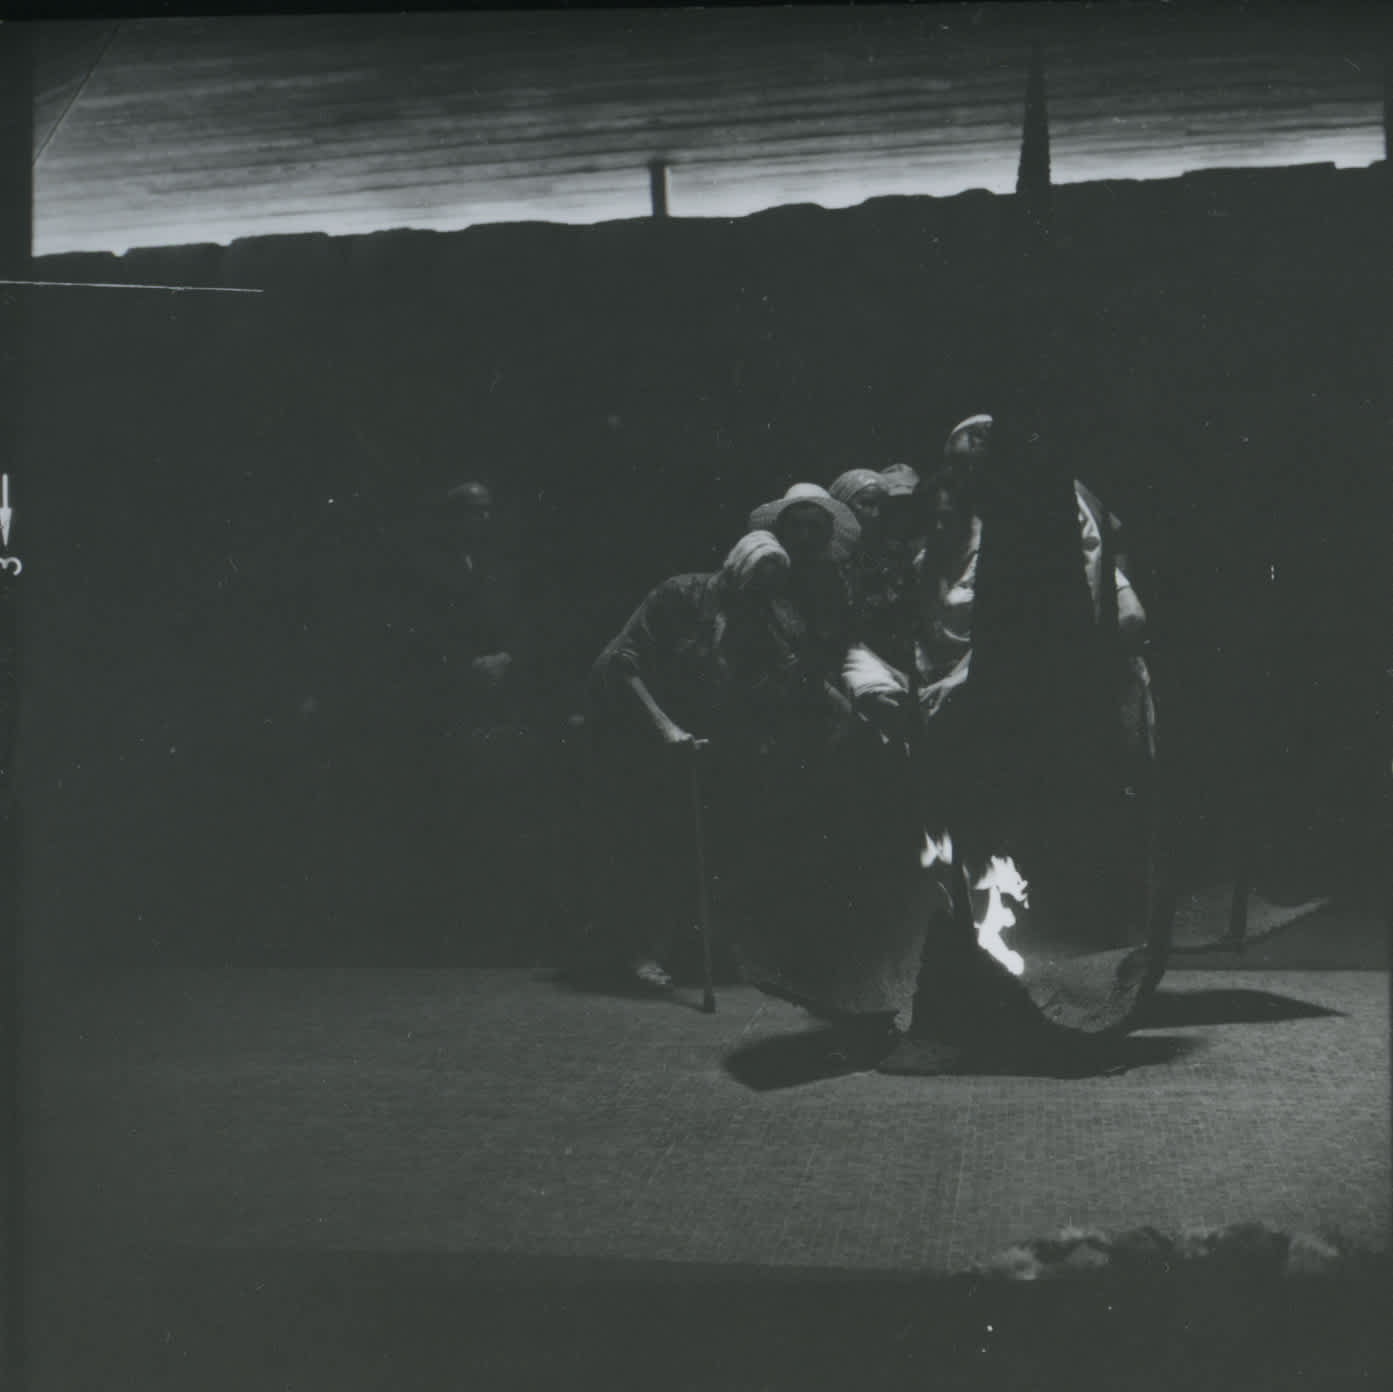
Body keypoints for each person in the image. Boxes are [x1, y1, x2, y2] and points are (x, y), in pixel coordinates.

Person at [582, 531, 805, 990]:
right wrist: (665, 729)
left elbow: (778, 672)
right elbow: (622, 663)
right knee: (655, 844)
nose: (759, 598)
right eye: (753, 588)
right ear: (733, 574)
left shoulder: (764, 613)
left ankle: (703, 950)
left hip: (714, 735)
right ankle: (642, 954)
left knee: (715, 844)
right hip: (648, 728)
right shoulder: (679, 595)